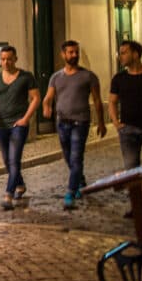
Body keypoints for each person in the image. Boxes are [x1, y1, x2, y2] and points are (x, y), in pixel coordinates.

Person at [42, 40, 106, 209]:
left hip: (81, 122)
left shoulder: (89, 76)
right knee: (69, 157)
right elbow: (48, 96)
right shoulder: (56, 77)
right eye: (70, 52)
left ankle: (70, 192)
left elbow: (98, 101)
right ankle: (80, 180)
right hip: (62, 123)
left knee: (77, 157)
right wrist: (46, 106)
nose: (74, 55)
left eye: (76, 52)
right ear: (63, 55)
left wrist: (101, 122)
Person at [0, 45, 40, 211]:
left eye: (9, 59)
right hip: (1, 127)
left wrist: (25, 119)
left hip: (18, 126)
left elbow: (35, 98)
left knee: (14, 159)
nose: (6, 62)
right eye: (3, 59)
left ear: (15, 59)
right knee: (8, 161)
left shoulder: (26, 77)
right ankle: (20, 184)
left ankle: (8, 195)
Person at [108, 40, 142, 218]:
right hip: (128, 131)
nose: (120, 56)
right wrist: (116, 124)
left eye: (124, 52)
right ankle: (137, 207)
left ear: (136, 54)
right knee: (132, 171)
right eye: (120, 53)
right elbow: (112, 101)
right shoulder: (119, 79)